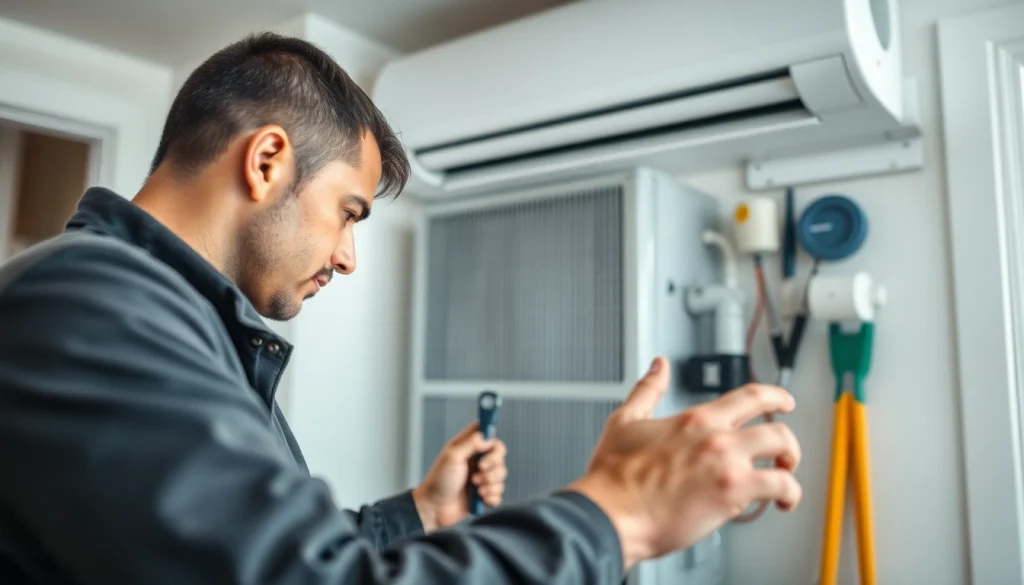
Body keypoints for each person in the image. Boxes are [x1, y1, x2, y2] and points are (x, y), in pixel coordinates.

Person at [0, 32, 802, 585]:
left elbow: (271, 556)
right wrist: (620, 512)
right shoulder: (89, 302)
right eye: (349, 212)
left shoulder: (173, 317)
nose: (349, 257)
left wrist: (419, 512)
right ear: (269, 159)